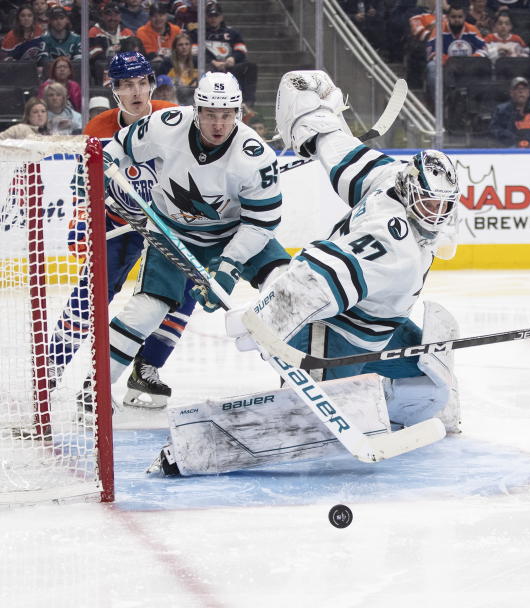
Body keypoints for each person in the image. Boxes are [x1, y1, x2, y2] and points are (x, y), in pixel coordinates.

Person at [149, 70, 463, 476]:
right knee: (309, 419)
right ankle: (195, 447)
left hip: (375, 319)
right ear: (410, 191)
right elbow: (320, 276)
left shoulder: (388, 179)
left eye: (442, 206)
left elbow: (341, 150)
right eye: (428, 204)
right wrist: (263, 322)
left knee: (430, 376)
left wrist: (316, 116)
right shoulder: (391, 241)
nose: (435, 215)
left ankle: (409, 408)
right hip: (339, 338)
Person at [99, 71, 289, 413]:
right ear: (197, 110)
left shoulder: (255, 157)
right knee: (147, 310)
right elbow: (118, 146)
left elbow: (261, 225)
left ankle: (294, 387)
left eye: (227, 115)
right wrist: (101, 165)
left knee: (287, 289)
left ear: (239, 113)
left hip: (234, 232)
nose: (219, 124)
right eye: (211, 114)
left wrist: (228, 266)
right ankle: (95, 389)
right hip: (172, 232)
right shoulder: (165, 125)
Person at [51, 52, 183, 410]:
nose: (136, 92)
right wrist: (87, 216)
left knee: (183, 291)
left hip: (167, 223)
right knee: (93, 294)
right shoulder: (98, 129)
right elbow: (85, 187)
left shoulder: (172, 118)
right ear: (115, 90)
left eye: (142, 83)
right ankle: (52, 366)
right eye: (127, 85)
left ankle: (147, 367)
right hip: (119, 224)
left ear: (151, 85)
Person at [190, 1, 258, 107]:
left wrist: (233, 59)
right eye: (210, 16)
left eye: (216, 15)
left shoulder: (232, 33)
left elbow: (241, 50)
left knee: (250, 67)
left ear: (221, 17)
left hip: (230, 67)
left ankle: (247, 103)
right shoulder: (198, 33)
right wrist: (213, 62)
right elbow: (194, 51)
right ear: (205, 17)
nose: (213, 19)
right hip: (208, 67)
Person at [89, 3, 135, 83]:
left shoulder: (127, 33)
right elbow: (92, 54)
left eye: (116, 15)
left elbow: (134, 55)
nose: (112, 18)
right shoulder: (94, 31)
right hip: (101, 72)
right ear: (103, 16)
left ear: (120, 17)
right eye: (109, 15)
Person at [489, 75, 530, 147]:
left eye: (524, 89)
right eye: (517, 89)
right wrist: (514, 139)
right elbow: (494, 130)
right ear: (511, 93)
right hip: (508, 148)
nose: (521, 91)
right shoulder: (500, 110)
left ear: (528, 93)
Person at [137, 2, 181, 75]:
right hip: (154, 67)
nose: (158, 19)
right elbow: (151, 55)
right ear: (150, 17)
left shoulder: (176, 30)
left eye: (161, 15)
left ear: (166, 16)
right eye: (154, 16)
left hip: (175, 64)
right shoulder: (142, 32)